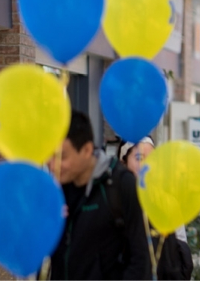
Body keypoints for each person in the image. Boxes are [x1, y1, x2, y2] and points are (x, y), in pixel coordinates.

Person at [49, 111, 150, 279]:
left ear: (87, 150)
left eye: (62, 157)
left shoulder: (120, 185)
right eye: (50, 156)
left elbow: (141, 260)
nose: (53, 165)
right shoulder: (56, 189)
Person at [121, 137, 193, 280]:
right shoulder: (112, 201)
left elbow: (181, 254)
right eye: (139, 157)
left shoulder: (168, 204)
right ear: (123, 162)